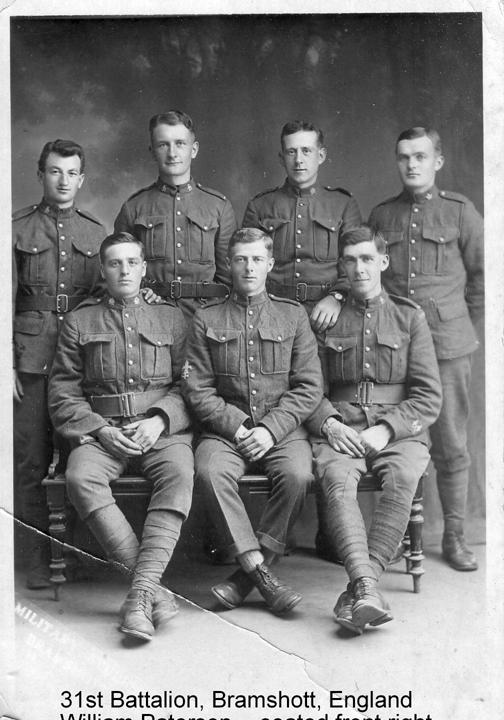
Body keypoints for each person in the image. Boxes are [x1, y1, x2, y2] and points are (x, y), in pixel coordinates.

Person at [48, 233, 193, 642]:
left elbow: (191, 385)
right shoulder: (81, 320)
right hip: (104, 430)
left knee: (180, 475)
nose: (124, 270)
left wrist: (161, 420)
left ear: (144, 268)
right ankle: (151, 592)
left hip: (159, 432)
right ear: (103, 270)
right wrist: (100, 430)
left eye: (132, 262)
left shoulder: (172, 318)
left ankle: (139, 596)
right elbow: (62, 393)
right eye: (115, 263)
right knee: (80, 479)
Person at [308, 225, 442, 634]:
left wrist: (386, 430)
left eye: (367, 259)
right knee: (335, 478)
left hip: (399, 429)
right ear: (341, 266)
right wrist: (328, 423)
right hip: (343, 426)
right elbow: (309, 389)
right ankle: (365, 591)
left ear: (382, 262)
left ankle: (362, 588)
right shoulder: (327, 318)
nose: (359, 268)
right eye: (350, 260)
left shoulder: (408, 316)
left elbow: (428, 396)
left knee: (403, 476)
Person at [182, 227, 323, 615]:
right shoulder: (206, 318)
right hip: (226, 431)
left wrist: (270, 429)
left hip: (282, 429)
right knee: (209, 471)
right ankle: (261, 571)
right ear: (229, 264)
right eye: (241, 259)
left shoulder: (293, 315)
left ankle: (247, 576)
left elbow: (309, 387)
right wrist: (240, 426)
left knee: (299, 475)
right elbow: (198, 389)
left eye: (257, 259)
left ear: (270, 265)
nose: (248, 267)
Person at [368, 126, 484, 571]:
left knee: (451, 441)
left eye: (420, 156)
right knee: (397, 438)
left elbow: (484, 277)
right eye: (404, 157)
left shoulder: (460, 212)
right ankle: (396, 535)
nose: (411, 164)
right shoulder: (383, 216)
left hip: (448, 347)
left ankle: (453, 536)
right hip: (394, 347)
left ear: (437, 160)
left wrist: (457, 324)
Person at [13, 139, 106, 588]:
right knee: (30, 461)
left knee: (80, 458)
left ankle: (77, 554)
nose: (63, 180)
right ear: (41, 174)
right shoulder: (16, 229)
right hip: (29, 360)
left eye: (71, 173)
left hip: (79, 365)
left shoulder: (95, 233)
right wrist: (4, 363)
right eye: (54, 171)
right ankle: (32, 559)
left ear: (82, 179)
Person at [114, 110, 236, 319]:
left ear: (194, 149)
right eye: (163, 145)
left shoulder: (218, 207)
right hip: (150, 317)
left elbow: (230, 277)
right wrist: (141, 291)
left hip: (206, 319)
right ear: (152, 151)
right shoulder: (134, 207)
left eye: (180, 143)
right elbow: (120, 271)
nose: (172, 153)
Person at [242, 120, 361, 332]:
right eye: (291, 152)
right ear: (281, 158)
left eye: (306, 151)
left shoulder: (343, 204)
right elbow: (246, 265)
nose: (299, 160)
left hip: (327, 316)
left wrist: (337, 296)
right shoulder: (260, 206)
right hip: (271, 315)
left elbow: (355, 262)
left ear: (321, 156)